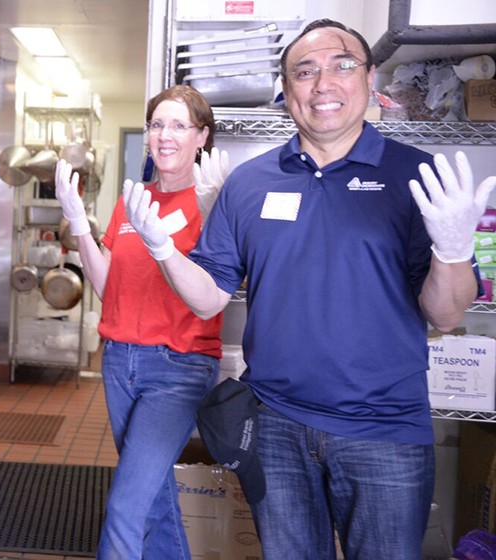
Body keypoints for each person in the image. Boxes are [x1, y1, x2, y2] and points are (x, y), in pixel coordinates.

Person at [123, 19, 496, 560]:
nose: (323, 83)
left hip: (385, 430)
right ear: (286, 89)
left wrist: (454, 251)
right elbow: (208, 297)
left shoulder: (418, 175)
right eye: (304, 70)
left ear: (370, 79)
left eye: (341, 65)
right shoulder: (249, 184)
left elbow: (442, 313)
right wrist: (164, 251)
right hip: (274, 425)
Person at [53, 84, 227, 559]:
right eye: (156, 125)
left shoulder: (213, 203)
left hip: (178, 367)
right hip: (120, 364)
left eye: (178, 125)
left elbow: (215, 293)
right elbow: (110, 288)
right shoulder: (132, 200)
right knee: (153, 503)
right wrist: (79, 224)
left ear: (201, 136)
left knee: (126, 508)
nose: (164, 135)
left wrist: (205, 220)